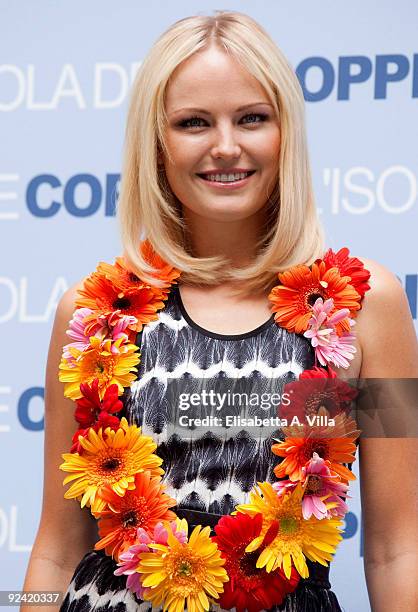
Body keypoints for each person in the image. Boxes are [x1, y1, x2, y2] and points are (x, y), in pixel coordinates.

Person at [23, 10, 418, 612]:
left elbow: (397, 546)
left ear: (285, 131)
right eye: (193, 123)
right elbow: (56, 546)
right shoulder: (90, 315)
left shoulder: (371, 305)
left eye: (252, 118)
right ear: (157, 143)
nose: (226, 146)